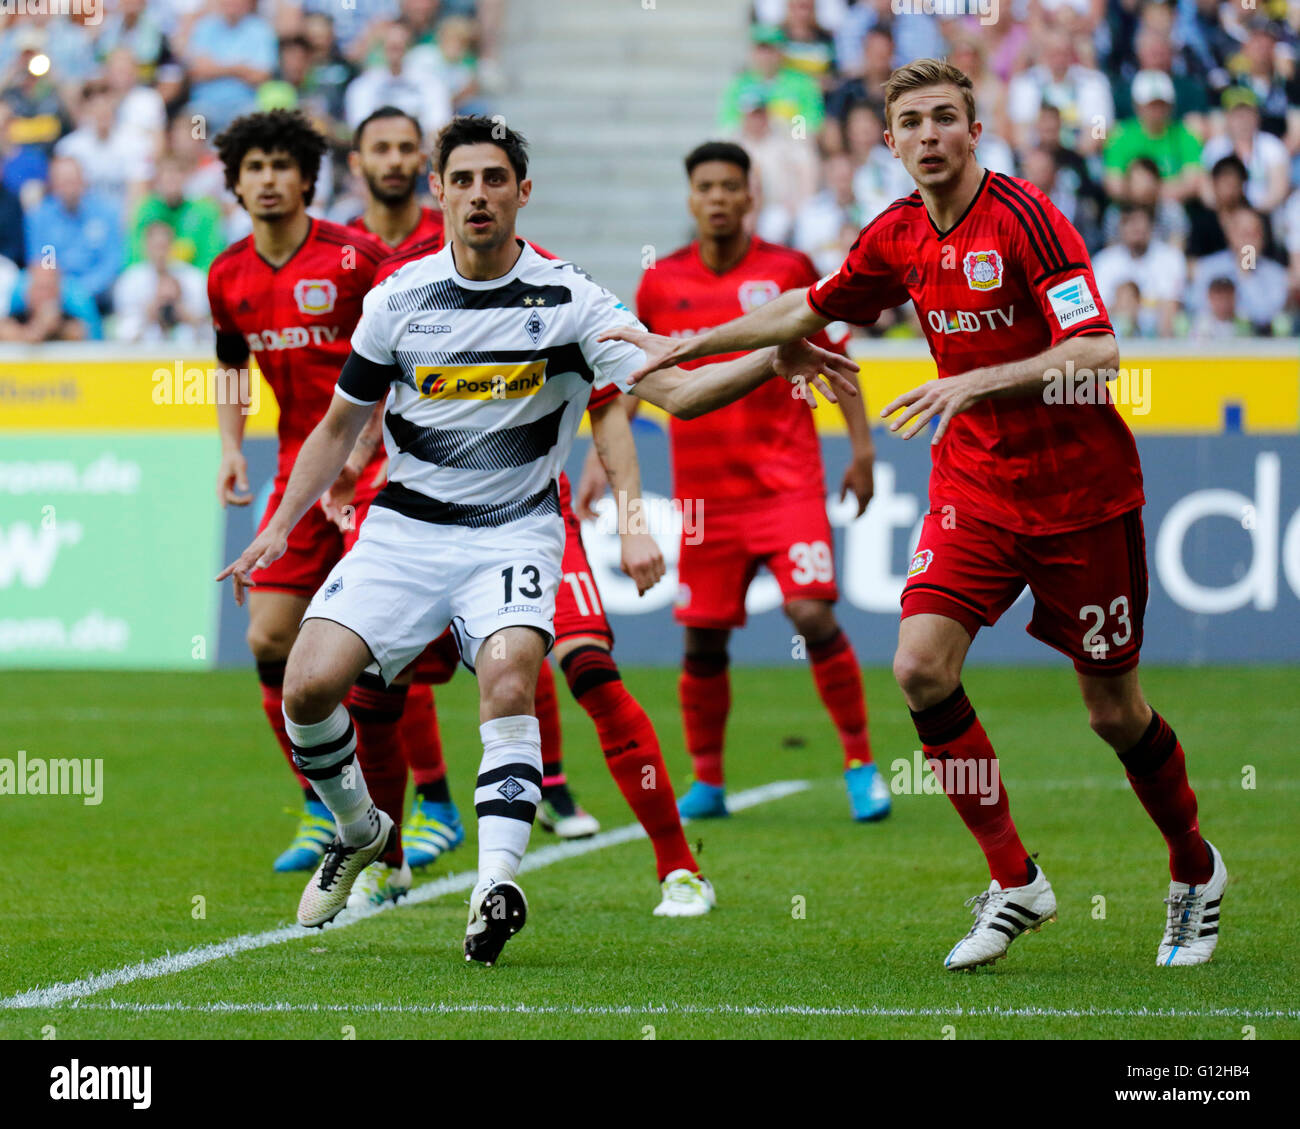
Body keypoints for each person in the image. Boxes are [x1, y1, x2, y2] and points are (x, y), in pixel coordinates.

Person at [605, 60, 1226, 971]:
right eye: (912, 123)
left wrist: (973, 379)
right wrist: (694, 340)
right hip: (974, 489)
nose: (929, 134)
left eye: (945, 118)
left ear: (975, 131)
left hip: (1081, 498)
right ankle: (1016, 880)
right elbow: (808, 308)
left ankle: (1194, 865)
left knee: (1111, 712)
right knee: (920, 668)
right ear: (888, 141)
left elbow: (1097, 349)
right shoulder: (895, 234)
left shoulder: (1026, 218)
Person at [216, 115, 857, 964]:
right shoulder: (397, 297)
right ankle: (362, 830)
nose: (478, 194)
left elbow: (676, 390)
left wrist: (773, 359)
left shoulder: (571, 298)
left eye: (495, 180)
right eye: (463, 180)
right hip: (403, 531)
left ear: (523, 191)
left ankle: (496, 885)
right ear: (439, 192)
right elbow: (339, 426)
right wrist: (275, 530)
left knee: (516, 676)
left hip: (514, 531)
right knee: (308, 687)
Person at [578, 140, 886, 823]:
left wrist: (861, 452)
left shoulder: (787, 269)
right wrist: (600, 458)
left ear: (751, 197)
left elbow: (832, 357)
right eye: (705, 187)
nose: (717, 197)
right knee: (704, 638)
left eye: (729, 186)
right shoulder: (661, 282)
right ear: (692, 199)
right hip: (703, 497)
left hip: (785, 484)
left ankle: (862, 763)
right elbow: (636, 377)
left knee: (810, 612)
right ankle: (709, 780)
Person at [205, 109, 405, 880]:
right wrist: (229, 443)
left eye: (280, 166)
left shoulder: (356, 260)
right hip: (297, 467)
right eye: (252, 167)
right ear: (235, 181)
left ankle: (424, 811)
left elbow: (401, 350)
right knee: (267, 639)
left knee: (377, 655)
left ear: (306, 179)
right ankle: (322, 804)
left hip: (381, 464)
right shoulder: (226, 273)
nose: (266, 179)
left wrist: (365, 445)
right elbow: (229, 363)